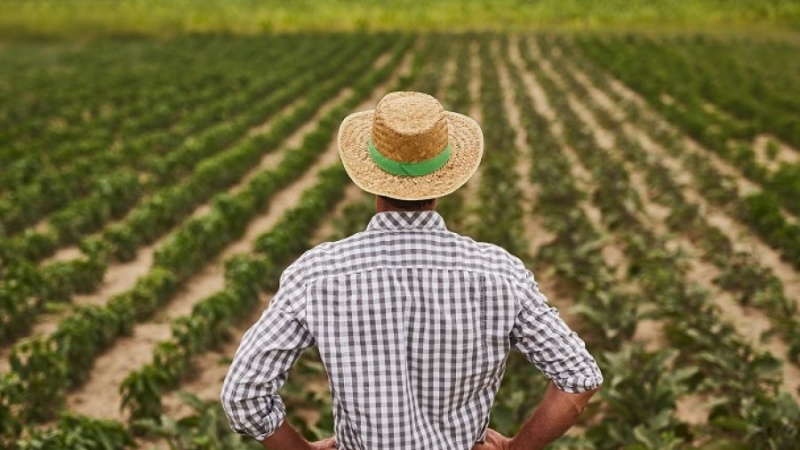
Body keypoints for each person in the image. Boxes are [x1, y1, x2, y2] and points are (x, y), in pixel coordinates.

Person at [220, 91, 603, 450]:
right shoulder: (499, 272)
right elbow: (578, 378)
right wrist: (516, 449)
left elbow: (244, 394)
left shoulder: (317, 274)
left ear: (370, 174)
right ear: (445, 178)